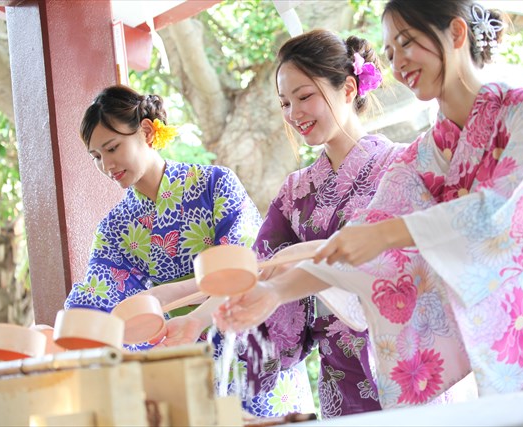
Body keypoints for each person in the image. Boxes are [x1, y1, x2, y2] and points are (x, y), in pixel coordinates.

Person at [215, 0, 523, 409]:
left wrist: (386, 234)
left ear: (457, 34)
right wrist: (274, 291)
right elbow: (356, 245)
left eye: (407, 42)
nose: (398, 62)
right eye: (390, 51)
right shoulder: (425, 157)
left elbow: (509, 215)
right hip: (499, 354)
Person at [156, 29, 405, 418]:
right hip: (339, 377)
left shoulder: (400, 168)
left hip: (402, 361)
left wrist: (295, 258)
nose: (294, 114)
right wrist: (196, 321)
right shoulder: (296, 191)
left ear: (349, 88)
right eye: (285, 102)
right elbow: (256, 269)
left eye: (304, 96)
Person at [63, 84, 262, 353]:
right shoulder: (114, 228)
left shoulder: (214, 184)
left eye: (112, 148)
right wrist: (69, 329)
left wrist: (162, 295)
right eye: (96, 157)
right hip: (180, 349)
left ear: (146, 132)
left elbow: (246, 264)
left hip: (246, 340)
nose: (106, 165)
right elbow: (99, 298)